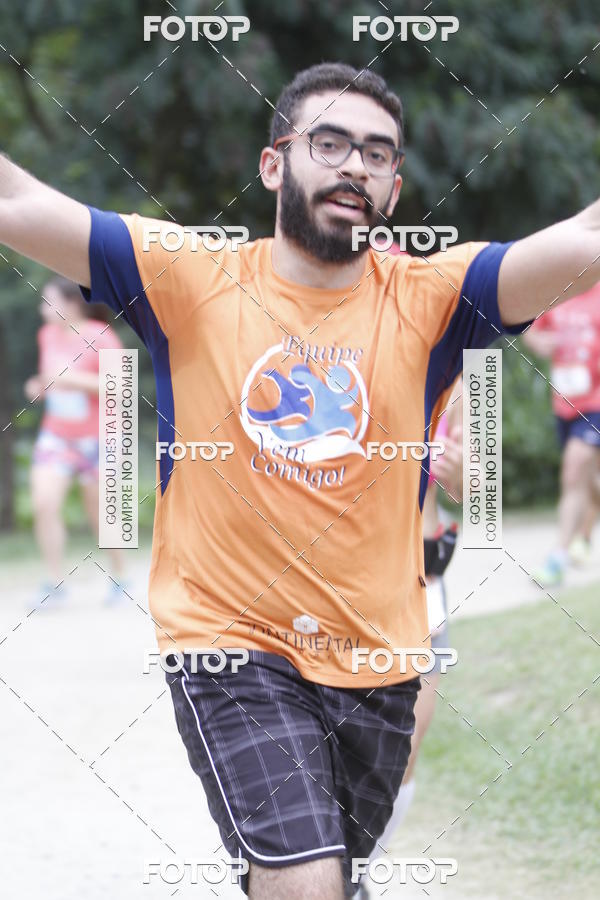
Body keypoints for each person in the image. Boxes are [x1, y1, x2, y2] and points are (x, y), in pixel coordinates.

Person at [1, 61, 599, 900]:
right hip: (230, 646)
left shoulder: (435, 295)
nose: (357, 165)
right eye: (331, 142)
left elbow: (583, 243)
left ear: (392, 190)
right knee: (303, 885)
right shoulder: (189, 276)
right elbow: (19, 204)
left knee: (330, 884)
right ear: (274, 163)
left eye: (379, 154)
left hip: (379, 662)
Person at [361, 381, 463, 899]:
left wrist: (464, 478)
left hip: (419, 590)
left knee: (401, 755)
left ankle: (356, 871)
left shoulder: (463, 374)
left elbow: (484, 496)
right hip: (321, 588)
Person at [24, 275, 125, 606]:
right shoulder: (46, 335)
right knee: (43, 503)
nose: (43, 310)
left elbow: (121, 385)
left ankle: (120, 580)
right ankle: (55, 585)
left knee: (102, 515)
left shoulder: (101, 335)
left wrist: (73, 380)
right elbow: (50, 380)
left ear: (71, 304)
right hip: (56, 436)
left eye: (49, 302)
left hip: (99, 438)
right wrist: (38, 387)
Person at [522, 282, 600, 586]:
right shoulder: (559, 291)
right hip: (565, 403)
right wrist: (540, 343)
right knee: (586, 475)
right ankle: (584, 533)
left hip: (596, 403)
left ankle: (557, 558)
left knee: (573, 470)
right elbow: (529, 328)